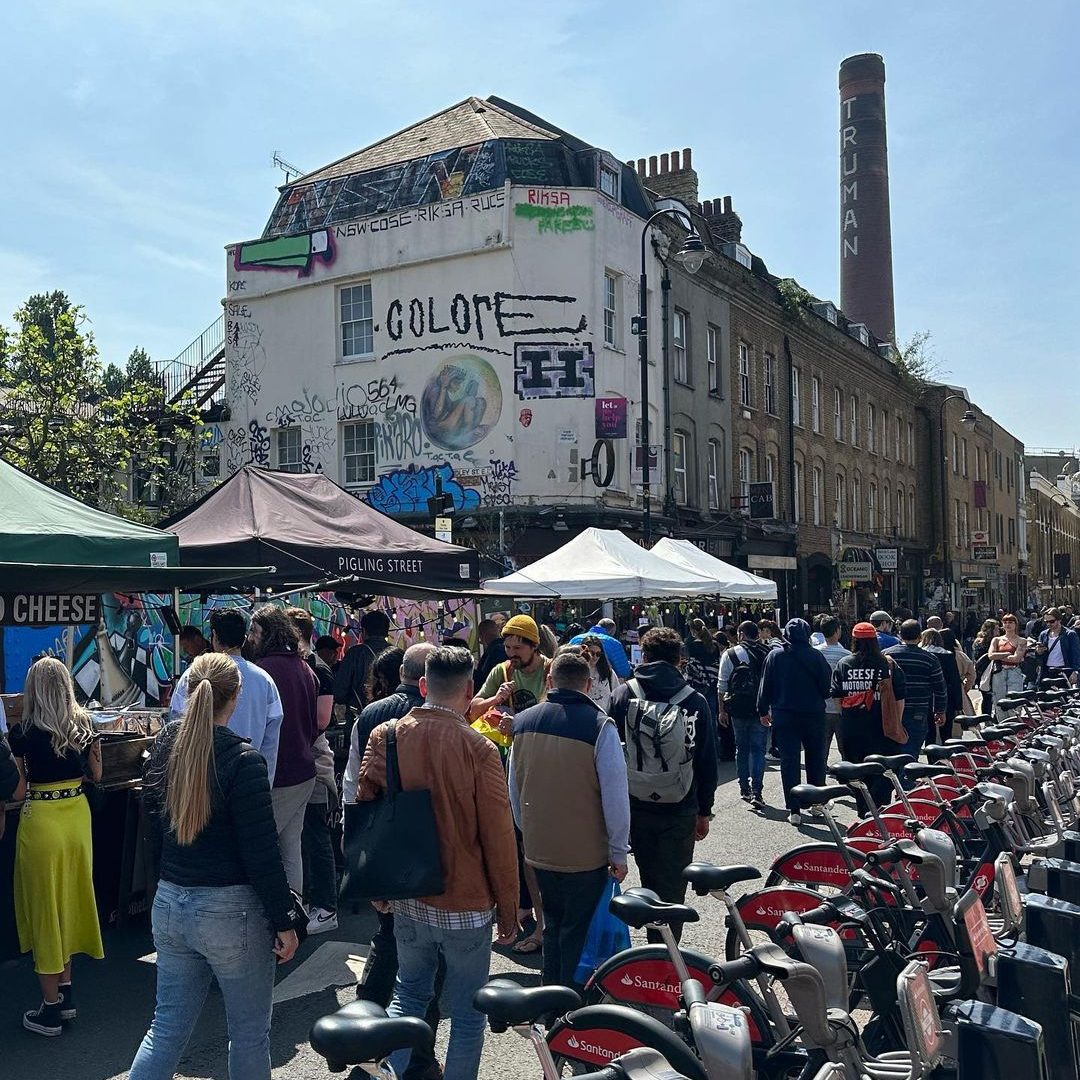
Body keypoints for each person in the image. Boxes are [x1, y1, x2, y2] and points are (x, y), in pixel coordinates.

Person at [130, 653, 298, 1079]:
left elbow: (154, 828)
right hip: (230, 909)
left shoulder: (168, 746)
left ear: (187, 691)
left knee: (164, 1028)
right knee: (247, 1035)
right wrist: (284, 920)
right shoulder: (244, 761)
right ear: (236, 697)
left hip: (171, 899)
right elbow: (262, 854)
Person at [357, 647, 519, 1080]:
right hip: (466, 900)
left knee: (407, 995)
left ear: (423, 685)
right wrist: (509, 908)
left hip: (410, 891)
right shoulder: (478, 748)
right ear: (469, 691)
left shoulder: (387, 735)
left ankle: (386, 1072)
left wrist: (377, 886)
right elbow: (499, 838)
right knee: (467, 1012)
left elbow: (367, 812)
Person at [508, 650, 630, 990]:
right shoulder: (599, 725)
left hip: (538, 846)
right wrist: (618, 851)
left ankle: (551, 998)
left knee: (552, 925)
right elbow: (615, 796)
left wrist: (526, 830)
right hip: (586, 852)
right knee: (577, 930)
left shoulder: (522, 723)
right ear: (589, 685)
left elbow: (514, 788)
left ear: (549, 682)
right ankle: (569, 1009)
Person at [9, 658, 103, 1036]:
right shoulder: (84, 726)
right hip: (77, 817)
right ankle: (65, 996)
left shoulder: (23, 732)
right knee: (70, 901)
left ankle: (50, 1009)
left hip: (43, 820)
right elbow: (96, 774)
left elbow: (17, 790)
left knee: (45, 908)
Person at [609, 628, 716, 942]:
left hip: (635, 805)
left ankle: (651, 947)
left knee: (647, 875)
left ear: (644, 656)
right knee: (672, 886)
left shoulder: (623, 695)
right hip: (680, 806)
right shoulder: (694, 701)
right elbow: (706, 761)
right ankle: (666, 950)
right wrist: (704, 811)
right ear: (679, 660)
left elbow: (608, 757)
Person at [249, 605, 319, 893]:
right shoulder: (305, 669)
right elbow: (315, 726)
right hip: (302, 770)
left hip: (278, 774)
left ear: (268, 632)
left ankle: (275, 918)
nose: (250, 637)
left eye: (254, 631)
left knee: (259, 848)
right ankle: (295, 916)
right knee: (291, 850)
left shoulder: (263, 673)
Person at [171, 608, 284, 784]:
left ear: (214, 635)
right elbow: (271, 742)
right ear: (244, 637)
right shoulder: (265, 680)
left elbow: (175, 724)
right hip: (249, 778)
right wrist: (264, 783)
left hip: (199, 780)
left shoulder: (193, 674)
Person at [286, 607, 338, 937]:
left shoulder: (318, 669)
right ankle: (310, 902)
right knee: (301, 839)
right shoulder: (302, 667)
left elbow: (322, 721)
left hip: (315, 764)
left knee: (317, 837)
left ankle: (327, 906)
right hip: (301, 762)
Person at [756, 620, 832, 826]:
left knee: (789, 760)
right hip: (813, 713)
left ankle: (794, 808)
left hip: (784, 714)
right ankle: (817, 802)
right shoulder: (816, 656)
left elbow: (765, 685)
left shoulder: (775, 655)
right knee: (815, 757)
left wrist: (763, 710)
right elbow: (826, 689)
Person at [832, 624, 906, 804]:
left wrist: (849, 716)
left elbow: (837, 697)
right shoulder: (888, 664)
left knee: (858, 775)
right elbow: (900, 699)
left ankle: (865, 812)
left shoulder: (844, 664)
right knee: (882, 775)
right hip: (883, 730)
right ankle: (881, 813)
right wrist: (896, 721)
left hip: (853, 730)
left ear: (854, 641)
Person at [717, 621, 771, 806]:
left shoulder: (729, 654)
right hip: (761, 708)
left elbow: (722, 685)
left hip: (737, 708)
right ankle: (757, 790)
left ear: (740, 634)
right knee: (758, 750)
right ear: (757, 634)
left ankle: (744, 788)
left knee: (741, 748)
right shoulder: (767, 653)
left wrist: (722, 710)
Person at [884, 620, 947, 760]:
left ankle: (895, 778)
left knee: (890, 751)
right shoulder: (930, 659)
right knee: (911, 752)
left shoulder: (886, 656)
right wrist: (940, 711)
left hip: (890, 710)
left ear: (900, 635)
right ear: (919, 637)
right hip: (918, 709)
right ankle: (906, 779)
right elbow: (940, 688)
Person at [471, 615, 552, 718]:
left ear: (535, 645)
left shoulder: (553, 671)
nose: (511, 653)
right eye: (507, 647)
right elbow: (473, 712)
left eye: (517, 648)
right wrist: (495, 699)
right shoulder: (502, 671)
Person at [333, 608, 393, 718]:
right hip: (391, 717)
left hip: (360, 717)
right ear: (386, 631)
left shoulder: (355, 654)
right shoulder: (397, 654)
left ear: (364, 631)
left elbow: (339, 692)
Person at [686, 619, 728, 760]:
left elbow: (691, 667)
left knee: (698, 720)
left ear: (693, 630)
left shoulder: (692, 645)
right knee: (712, 719)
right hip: (712, 685)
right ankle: (716, 749)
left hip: (698, 686)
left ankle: (703, 752)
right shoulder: (714, 645)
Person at [814, 616, 850, 758]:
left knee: (821, 750)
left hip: (821, 707)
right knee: (846, 750)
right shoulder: (846, 656)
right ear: (837, 631)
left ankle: (819, 777)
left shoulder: (815, 653)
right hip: (842, 708)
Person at [919, 629, 962, 741]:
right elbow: (955, 680)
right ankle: (946, 753)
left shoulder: (921, 654)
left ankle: (931, 754)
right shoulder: (948, 655)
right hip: (946, 694)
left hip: (925, 695)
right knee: (946, 730)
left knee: (929, 730)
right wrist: (958, 704)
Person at [988, 615, 1029, 717]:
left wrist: (998, 656)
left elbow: (1016, 658)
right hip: (999, 672)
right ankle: (1002, 727)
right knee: (999, 701)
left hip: (1014, 672)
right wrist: (1007, 654)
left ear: (1015, 624)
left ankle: (1015, 726)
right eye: (1005, 622)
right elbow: (991, 655)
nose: (1007, 624)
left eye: (1010, 622)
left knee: (1014, 701)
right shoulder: (996, 640)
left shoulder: (1021, 640)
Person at [1038, 608, 1080, 685]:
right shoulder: (1043, 634)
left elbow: (1076, 655)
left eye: (1052, 621)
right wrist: (1038, 652)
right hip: (1047, 671)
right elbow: (1039, 657)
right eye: (1046, 622)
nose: (1048, 624)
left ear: (1059, 620)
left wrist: (1075, 671)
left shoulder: (1070, 635)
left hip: (1064, 671)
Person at [580, 635, 619, 713]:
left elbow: (617, 694)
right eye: (592, 653)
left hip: (604, 715)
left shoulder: (608, 672)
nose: (595, 657)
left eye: (598, 654)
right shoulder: (578, 671)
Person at [473, 618, 507, 692]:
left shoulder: (492, 653)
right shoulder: (510, 648)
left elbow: (483, 681)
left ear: (482, 636)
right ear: (498, 631)